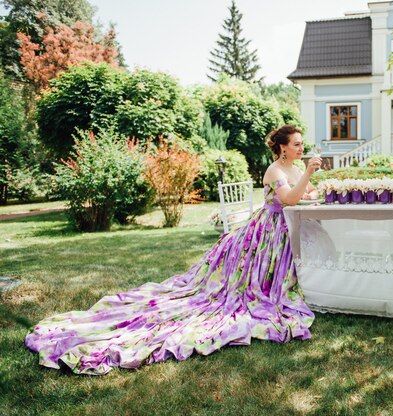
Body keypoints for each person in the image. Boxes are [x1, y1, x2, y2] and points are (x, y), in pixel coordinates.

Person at [25, 125, 323, 375]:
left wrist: (309, 181)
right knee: (237, 287)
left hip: (284, 228)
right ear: (282, 147)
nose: (301, 147)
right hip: (268, 230)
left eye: (301, 144)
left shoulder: (293, 167)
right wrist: (309, 174)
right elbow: (291, 199)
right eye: (296, 144)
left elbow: (304, 192)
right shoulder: (274, 170)